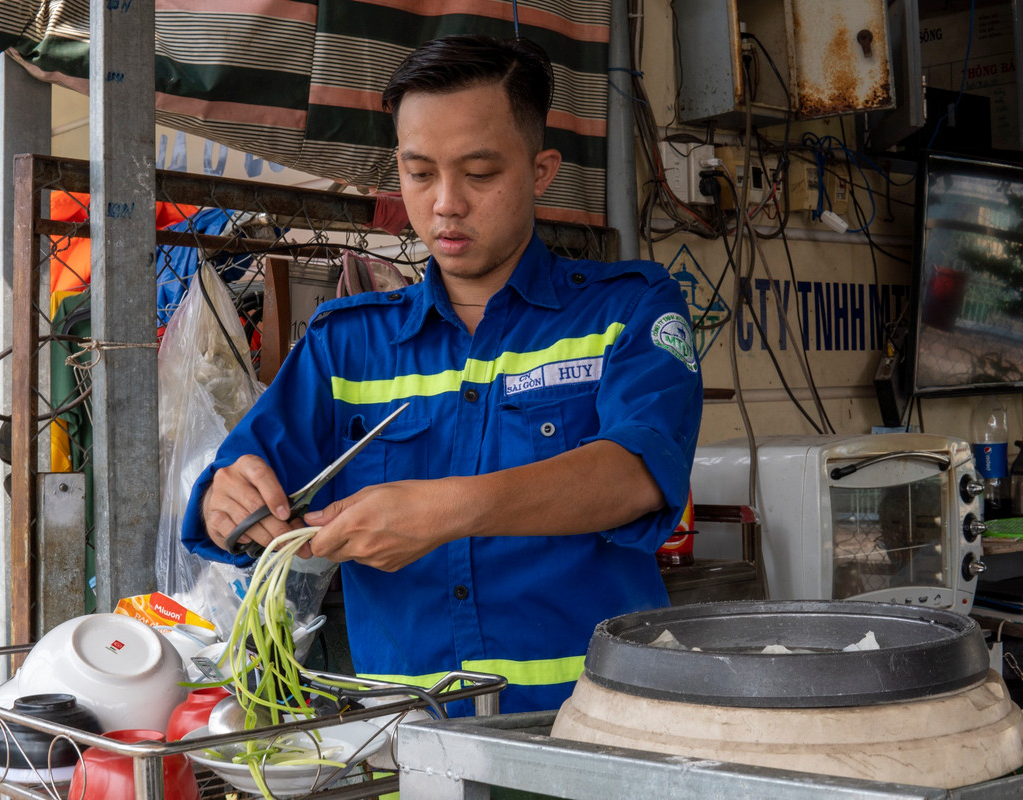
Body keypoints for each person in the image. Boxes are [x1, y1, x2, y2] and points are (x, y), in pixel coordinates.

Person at [182, 34, 704, 713]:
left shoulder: (627, 309)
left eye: (480, 173)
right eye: (420, 173)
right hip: (406, 741)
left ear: (541, 170)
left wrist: (447, 510)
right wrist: (228, 499)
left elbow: (636, 474)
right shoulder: (348, 345)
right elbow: (236, 488)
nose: (446, 203)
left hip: (592, 729)